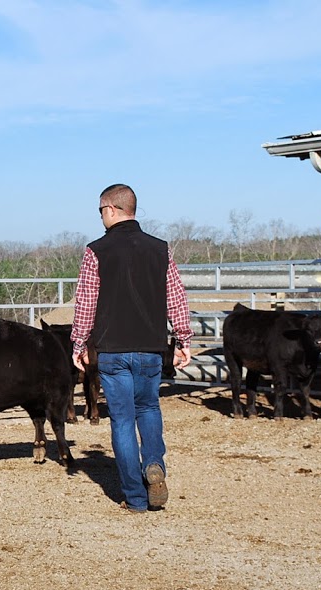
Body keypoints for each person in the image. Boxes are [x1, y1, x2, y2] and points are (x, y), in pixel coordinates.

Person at [71, 183, 193, 513]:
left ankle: (136, 498)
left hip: (112, 350)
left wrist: (79, 343)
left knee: (122, 421)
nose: (100, 217)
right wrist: (183, 340)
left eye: (100, 211)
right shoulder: (161, 248)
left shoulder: (95, 251)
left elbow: (86, 302)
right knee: (149, 408)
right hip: (151, 348)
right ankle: (153, 464)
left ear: (111, 209)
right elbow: (176, 297)